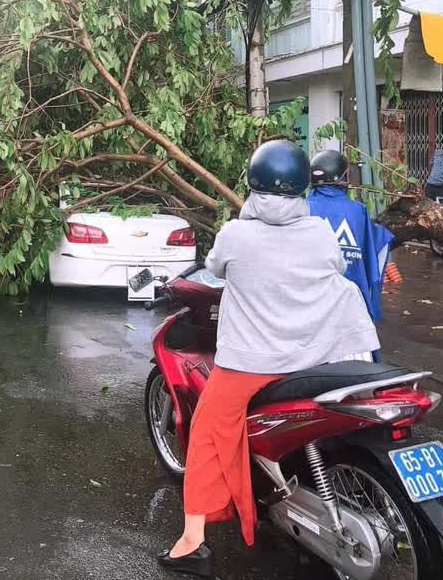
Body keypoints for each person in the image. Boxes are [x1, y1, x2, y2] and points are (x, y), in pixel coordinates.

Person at [159, 140, 380, 577]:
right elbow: (335, 268)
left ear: (253, 183)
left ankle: (192, 542)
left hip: (251, 365)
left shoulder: (237, 234)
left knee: (205, 430)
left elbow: (216, 267)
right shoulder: (318, 229)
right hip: (319, 358)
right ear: (302, 185)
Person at [308, 150, 396, 361]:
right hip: (350, 304)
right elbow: (372, 246)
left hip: (310, 302)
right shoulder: (357, 211)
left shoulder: (302, 208)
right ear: (342, 177)